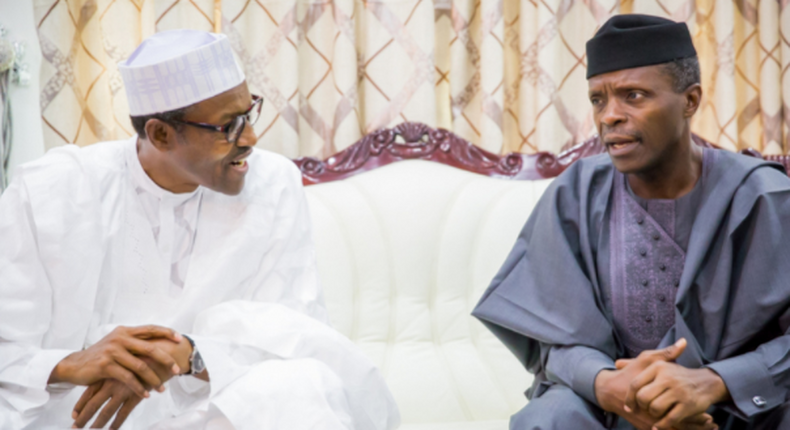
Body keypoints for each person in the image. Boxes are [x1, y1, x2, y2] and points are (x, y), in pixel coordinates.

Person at [0, 29, 399, 430]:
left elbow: (298, 337)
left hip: (208, 417)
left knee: (302, 384)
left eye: (250, 113)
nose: (251, 139)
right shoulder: (54, 191)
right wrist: (71, 364)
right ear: (160, 134)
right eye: (229, 126)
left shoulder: (273, 183)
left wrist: (188, 356)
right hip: (82, 420)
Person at [473, 14, 790, 430]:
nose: (609, 116)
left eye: (634, 96)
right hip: (611, 413)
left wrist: (712, 382)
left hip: (738, 411)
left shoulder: (763, 197)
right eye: (598, 100)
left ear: (690, 101)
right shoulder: (576, 194)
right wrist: (610, 386)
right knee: (551, 415)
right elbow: (552, 341)